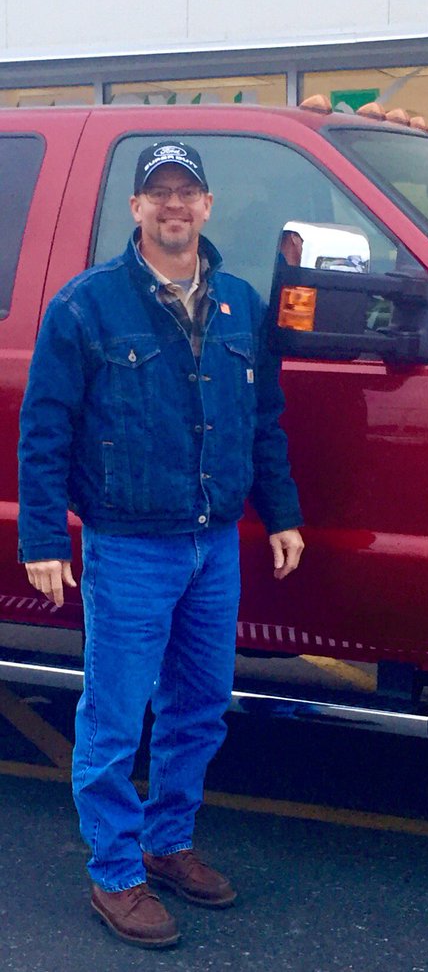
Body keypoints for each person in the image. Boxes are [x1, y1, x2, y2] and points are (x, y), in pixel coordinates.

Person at [17, 140, 304, 949]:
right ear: (136, 209)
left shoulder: (240, 305)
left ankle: (168, 842)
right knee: (114, 716)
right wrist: (44, 535)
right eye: (159, 193)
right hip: (129, 544)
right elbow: (45, 428)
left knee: (200, 706)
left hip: (214, 544)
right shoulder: (86, 305)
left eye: (188, 192)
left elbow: (266, 420)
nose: (174, 205)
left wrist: (281, 513)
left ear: (207, 207)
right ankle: (114, 874)